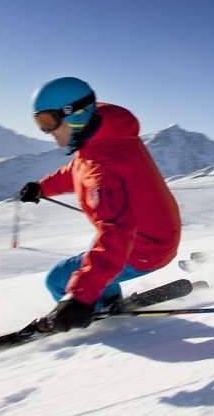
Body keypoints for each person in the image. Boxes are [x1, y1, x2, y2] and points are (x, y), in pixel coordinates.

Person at [17, 77, 181, 333]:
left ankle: (100, 307)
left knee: (58, 280)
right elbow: (77, 169)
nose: (46, 131)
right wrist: (43, 187)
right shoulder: (101, 133)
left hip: (143, 248)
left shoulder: (103, 170)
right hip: (153, 235)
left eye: (48, 121)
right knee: (87, 263)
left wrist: (80, 297)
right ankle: (106, 299)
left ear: (74, 114)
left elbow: (116, 233)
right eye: (39, 122)